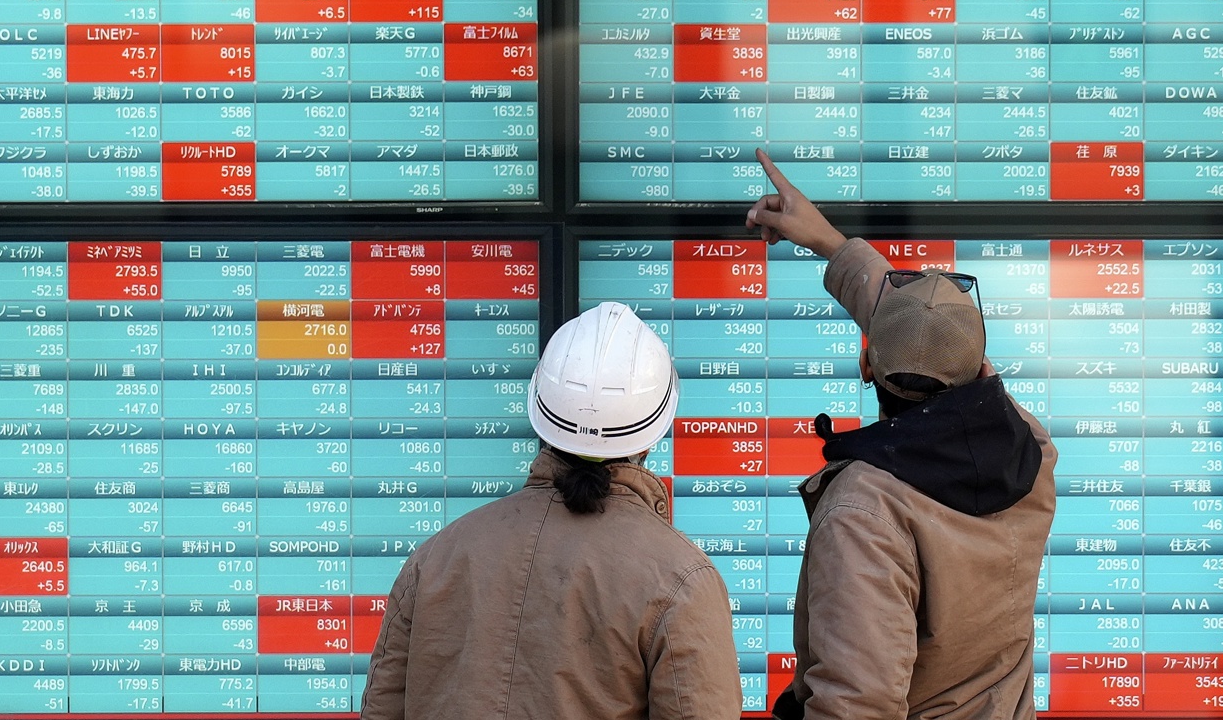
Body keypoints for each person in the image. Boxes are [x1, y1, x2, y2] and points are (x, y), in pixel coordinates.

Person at [745, 150, 1058, 720]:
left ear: (867, 367)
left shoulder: (866, 511)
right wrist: (833, 246)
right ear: (983, 372)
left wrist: (832, 245)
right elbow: (936, 350)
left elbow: (856, 706)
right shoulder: (1028, 451)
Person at [359, 301, 742, 720]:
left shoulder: (437, 557)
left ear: (539, 409)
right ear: (654, 431)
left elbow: (381, 706)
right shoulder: (681, 578)